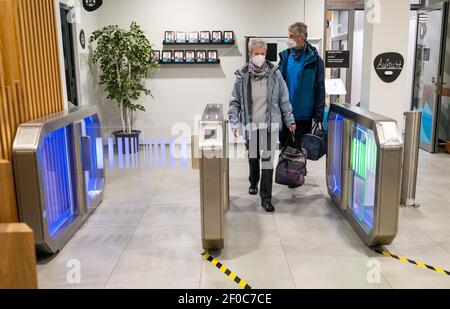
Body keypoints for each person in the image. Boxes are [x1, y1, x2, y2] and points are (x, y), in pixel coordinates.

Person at [229, 39, 296, 212]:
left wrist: (289, 120)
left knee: (267, 161)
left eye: (262, 53)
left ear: (266, 54)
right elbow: (235, 101)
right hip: (250, 126)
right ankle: (253, 181)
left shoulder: (275, 73)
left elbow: (284, 98)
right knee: (253, 158)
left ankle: (266, 198)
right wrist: (234, 122)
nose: (259, 56)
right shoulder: (242, 75)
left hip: (269, 126)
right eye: (256, 53)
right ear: (250, 54)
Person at [279, 22, 325, 151]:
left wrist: (319, 115)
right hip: (285, 114)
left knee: (301, 152)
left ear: (302, 38)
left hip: (304, 115)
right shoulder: (285, 57)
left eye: (291, 36)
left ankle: (299, 171)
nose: (288, 39)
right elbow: (276, 85)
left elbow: (320, 87)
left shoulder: (314, 60)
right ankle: (286, 172)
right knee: (285, 150)